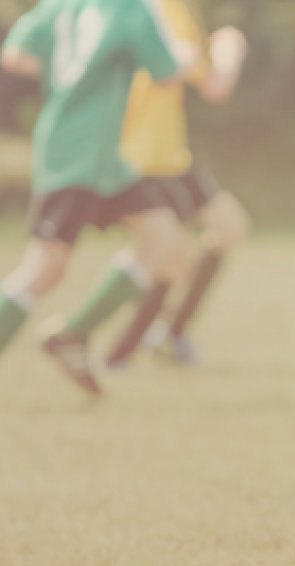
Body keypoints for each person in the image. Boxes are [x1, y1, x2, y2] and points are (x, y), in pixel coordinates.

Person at [0, 0, 194, 395]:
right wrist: (188, 54)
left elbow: (15, 55)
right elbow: (168, 74)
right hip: (76, 158)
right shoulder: (130, 10)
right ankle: (70, 335)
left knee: (166, 241)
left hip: (104, 162)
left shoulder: (59, 7)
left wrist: (69, 76)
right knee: (44, 269)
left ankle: (72, 335)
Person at [103, 0, 250, 369]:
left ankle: (169, 335)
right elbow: (205, 79)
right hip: (140, 151)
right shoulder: (156, 8)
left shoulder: (181, 8)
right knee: (165, 253)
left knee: (228, 227)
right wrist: (227, 47)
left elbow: (208, 81)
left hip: (172, 153)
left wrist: (222, 48)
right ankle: (117, 351)